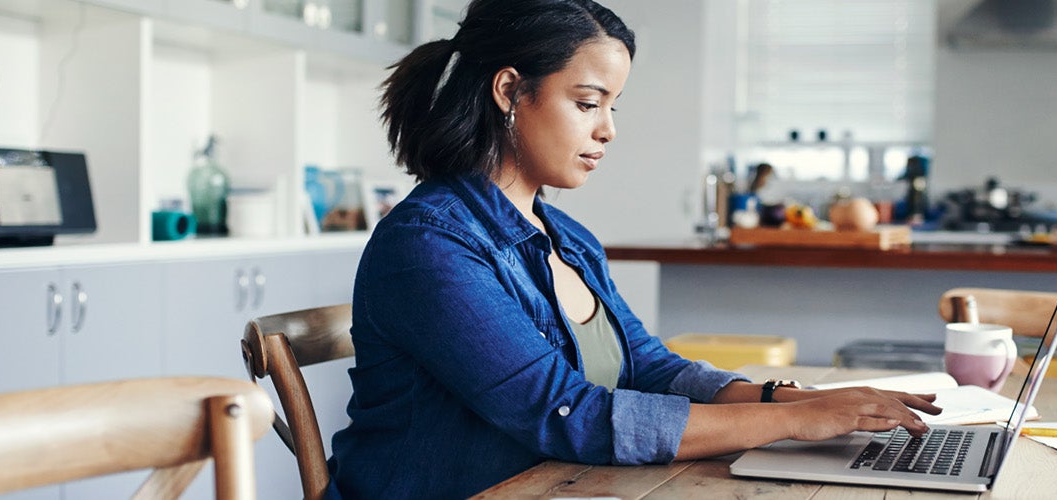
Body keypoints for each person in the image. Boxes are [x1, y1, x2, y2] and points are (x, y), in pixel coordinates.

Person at [327, 1, 941, 498]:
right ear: (511, 91)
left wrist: (797, 400)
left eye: (612, 107)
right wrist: (790, 422)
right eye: (587, 103)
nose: (608, 129)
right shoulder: (430, 243)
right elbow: (566, 414)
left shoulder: (566, 237)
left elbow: (651, 369)